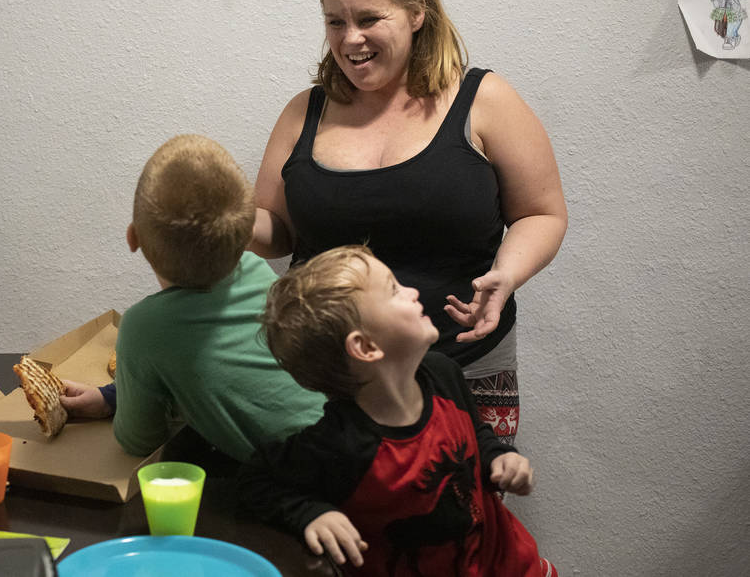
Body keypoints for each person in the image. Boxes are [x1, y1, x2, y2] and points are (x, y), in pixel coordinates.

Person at [250, 0, 567, 445]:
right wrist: (226, 223)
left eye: (370, 18)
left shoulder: (483, 100)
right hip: (326, 378)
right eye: (335, 21)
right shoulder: (302, 113)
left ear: (416, 14)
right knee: (329, 517)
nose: (350, 38)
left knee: (462, 513)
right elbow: (278, 232)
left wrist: (507, 275)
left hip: (465, 367)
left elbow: (541, 213)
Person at [238, 245, 556, 576]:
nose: (413, 291)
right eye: (393, 290)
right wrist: (311, 514)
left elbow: (476, 434)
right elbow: (256, 480)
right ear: (365, 347)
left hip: (511, 563)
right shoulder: (340, 445)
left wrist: (498, 458)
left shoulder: (443, 373)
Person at [59, 134, 326, 462]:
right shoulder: (257, 270)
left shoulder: (142, 328)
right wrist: (111, 397)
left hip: (294, 479)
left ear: (134, 238)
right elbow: (227, 375)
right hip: (348, 435)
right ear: (246, 236)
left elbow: (139, 440)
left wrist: (126, 402)